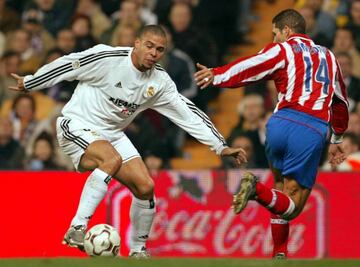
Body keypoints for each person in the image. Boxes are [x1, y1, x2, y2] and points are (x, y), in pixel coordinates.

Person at [9, 25, 247, 258]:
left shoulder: (160, 82)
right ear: (136, 43)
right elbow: (69, 64)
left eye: (160, 49)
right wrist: (31, 82)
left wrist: (220, 145)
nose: (154, 53)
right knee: (111, 159)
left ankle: (138, 251)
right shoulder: (108, 59)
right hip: (77, 124)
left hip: (112, 134)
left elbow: (186, 111)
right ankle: (77, 227)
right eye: (149, 46)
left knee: (146, 187)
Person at [194, 9, 349, 259]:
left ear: (287, 31)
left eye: (275, 33)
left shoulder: (283, 50)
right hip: (309, 129)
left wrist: (217, 74)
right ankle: (256, 190)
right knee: (293, 207)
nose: (275, 39)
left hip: (277, 125)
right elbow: (340, 100)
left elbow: (251, 66)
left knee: (279, 189)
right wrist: (338, 137)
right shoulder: (329, 57)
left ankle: (279, 253)